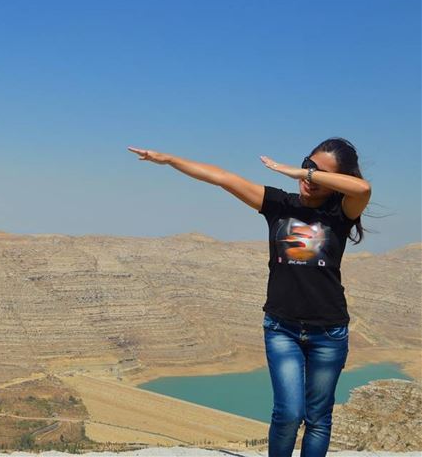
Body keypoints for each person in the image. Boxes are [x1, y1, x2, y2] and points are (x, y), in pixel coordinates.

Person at [127, 138, 371, 457]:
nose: (306, 175)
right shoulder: (279, 204)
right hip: (282, 329)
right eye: (306, 165)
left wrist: (301, 172)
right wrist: (171, 159)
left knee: (318, 419)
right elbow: (222, 177)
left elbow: (363, 190)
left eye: (317, 173)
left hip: (329, 332)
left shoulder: (341, 212)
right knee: (287, 415)